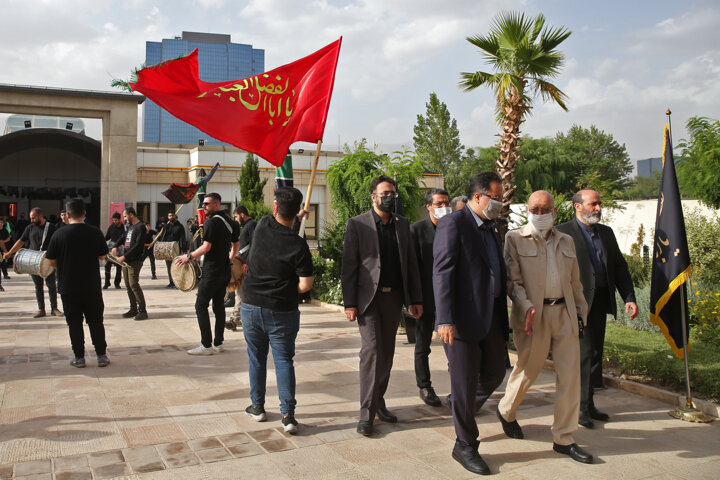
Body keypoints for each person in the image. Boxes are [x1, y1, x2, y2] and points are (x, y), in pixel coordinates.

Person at [497, 190, 594, 464]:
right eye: (535, 209)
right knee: (528, 370)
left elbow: (576, 283)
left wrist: (579, 313)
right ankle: (506, 410)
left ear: (554, 211)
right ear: (527, 210)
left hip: (564, 313)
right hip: (533, 316)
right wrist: (526, 306)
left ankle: (564, 437)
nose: (540, 215)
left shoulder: (567, 241)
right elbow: (512, 281)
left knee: (570, 376)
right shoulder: (514, 238)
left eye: (545, 209)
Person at [432, 172, 509, 475]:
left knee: (494, 372)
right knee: (463, 382)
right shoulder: (454, 223)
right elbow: (443, 271)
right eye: (497, 197)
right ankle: (465, 444)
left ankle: (460, 404)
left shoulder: (492, 228)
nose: (500, 203)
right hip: (461, 320)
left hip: (489, 316)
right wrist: (445, 318)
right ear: (479, 197)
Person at [341, 175, 423, 437]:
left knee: (386, 354)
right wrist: (350, 302)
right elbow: (349, 266)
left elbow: (411, 265)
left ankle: (379, 400)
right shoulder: (357, 225)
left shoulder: (402, 225)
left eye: (392, 193)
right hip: (368, 300)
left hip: (393, 298)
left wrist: (415, 299)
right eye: (385, 193)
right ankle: (366, 414)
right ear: (373, 196)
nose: (390, 197)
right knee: (373, 350)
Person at [556, 189, 637, 428]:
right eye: (593, 204)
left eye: (599, 204)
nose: (598, 208)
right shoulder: (562, 232)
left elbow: (620, 267)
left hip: (600, 301)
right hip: (575, 304)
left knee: (594, 355)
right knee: (583, 354)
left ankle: (589, 404)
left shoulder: (606, 233)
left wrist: (629, 297)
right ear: (577, 206)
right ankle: (579, 408)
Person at [240, 187, 313, 434]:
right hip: (281, 310)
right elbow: (305, 285)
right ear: (297, 211)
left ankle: (258, 407)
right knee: (283, 361)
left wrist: (297, 214)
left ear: (274, 208)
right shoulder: (299, 245)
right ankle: (288, 416)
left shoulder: (261, 226)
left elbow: (281, 221)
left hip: (251, 306)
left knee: (256, 358)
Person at [45, 199, 110, 368]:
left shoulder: (59, 234)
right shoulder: (96, 232)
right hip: (91, 286)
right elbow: (103, 257)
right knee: (96, 321)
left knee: (74, 323)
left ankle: (79, 357)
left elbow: (51, 261)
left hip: (68, 286)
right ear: (84, 213)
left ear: (67, 215)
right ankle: (101, 356)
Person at [176, 193, 239, 355]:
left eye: (206, 204)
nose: (203, 206)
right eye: (203, 204)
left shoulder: (211, 223)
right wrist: (230, 259)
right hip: (224, 271)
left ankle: (206, 345)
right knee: (218, 306)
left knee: (200, 306)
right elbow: (236, 243)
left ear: (216, 205)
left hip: (211, 272)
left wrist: (188, 256)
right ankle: (218, 343)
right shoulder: (231, 223)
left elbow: (206, 247)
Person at [410, 187, 452, 407]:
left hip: (451, 299)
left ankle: (458, 387)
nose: (444, 207)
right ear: (428, 206)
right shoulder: (416, 231)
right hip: (425, 299)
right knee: (422, 345)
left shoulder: (454, 228)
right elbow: (412, 268)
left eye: (446, 203)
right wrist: (413, 300)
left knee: (455, 346)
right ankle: (424, 386)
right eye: (439, 204)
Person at [3, 207, 62, 318]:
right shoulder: (30, 228)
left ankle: (54, 308)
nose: (31, 220)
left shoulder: (52, 228)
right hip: (33, 262)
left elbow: (58, 243)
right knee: (38, 286)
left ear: (40, 216)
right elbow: (21, 241)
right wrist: (10, 253)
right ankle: (41, 309)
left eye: (33, 218)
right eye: (31, 218)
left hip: (48, 260)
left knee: (51, 285)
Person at [225, 205, 257, 328]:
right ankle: (237, 319)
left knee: (241, 292)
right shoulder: (246, 226)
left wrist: (247, 262)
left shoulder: (252, 225)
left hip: (247, 266)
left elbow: (255, 245)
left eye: (237, 216)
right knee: (241, 292)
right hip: (243, 264)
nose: (236, 219)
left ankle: (235, 319)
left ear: (242, 214)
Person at [116, 207, 148, 321]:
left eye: (125, 216)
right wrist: (115, 246)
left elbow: (138, 245)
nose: (124, 219)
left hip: (135, 260)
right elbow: (123, 237)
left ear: (131, 215)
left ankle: (143, 311)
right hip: (127, 261)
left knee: (134, 284)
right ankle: (133, 309)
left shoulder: (140, 227)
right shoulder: (130, 227)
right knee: (128, 286)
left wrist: (125, 256)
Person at [159, 210, 187, 289]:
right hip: (167, 250)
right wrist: (161, 248)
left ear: (175, 216)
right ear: (168, 217)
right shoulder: (166, 227)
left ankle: (177, 282)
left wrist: (184, 250)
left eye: (172, 215)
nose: (171, 217)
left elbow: (182, 239)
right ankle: (171, 282)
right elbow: (163, 238)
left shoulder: (180, 226)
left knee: (177, 266)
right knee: (169, 267)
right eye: (169, 216)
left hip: (176, 249)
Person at [104, 213, 125, 289]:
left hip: (121, 249)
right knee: (107, 266)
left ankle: (117, 283)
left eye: (116, 220)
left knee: (119, 267)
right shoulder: (111, 227)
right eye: (113, 220)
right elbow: (107, 237)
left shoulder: (124, 228)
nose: (114, 221)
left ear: (119, 219)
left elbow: (124, 239)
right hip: (111, 248)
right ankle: (107, 283)